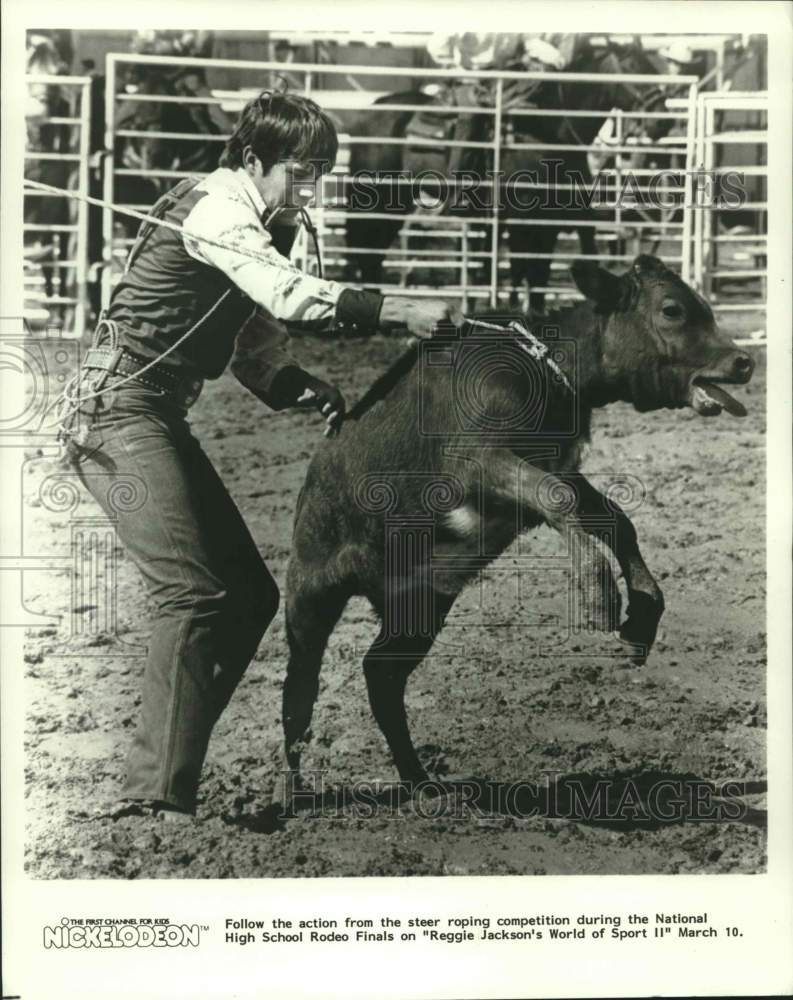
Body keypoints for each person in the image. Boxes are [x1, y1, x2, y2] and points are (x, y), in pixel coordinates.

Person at [64, 91, 461, 822]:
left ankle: (164, 775)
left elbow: (248, 334)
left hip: (151, 412)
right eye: (300, 172)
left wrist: (290, 384)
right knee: (192, 593)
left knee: (246, 597)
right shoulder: (216, 208)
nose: (309, 189)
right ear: (253, 161)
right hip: (116, 412)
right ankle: (153, 795)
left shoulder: (249, 219)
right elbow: (279, 294)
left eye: (320, 174)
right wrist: (394, 309)